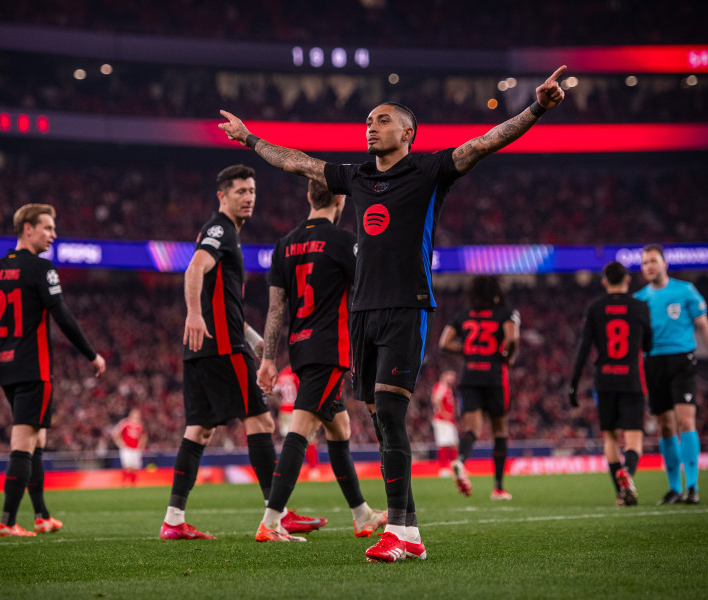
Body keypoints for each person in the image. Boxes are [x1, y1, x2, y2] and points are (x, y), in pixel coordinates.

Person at [220, 65, 566, 562]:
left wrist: (535, 109)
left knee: (389, 411)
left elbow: (485, 142)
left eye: (381, 120)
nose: (371, 126)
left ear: (407, 133)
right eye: (367, 120)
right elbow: (298, 162)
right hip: (363, 312)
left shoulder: (429, 171)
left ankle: (401, 532)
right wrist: (250, 139)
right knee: (380, 420)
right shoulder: (357, 176)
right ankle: (407, 530)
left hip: (406, 307)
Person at [159, 164, 321, 541]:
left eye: (251, 191)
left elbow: (225, 303)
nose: (248, 197)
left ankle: (173, 519)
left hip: (204, 349)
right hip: (221, 348)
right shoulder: (220, 229)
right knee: (261, 424)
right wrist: (195, 314)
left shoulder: (228, 233)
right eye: (240, 192)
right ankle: (276, 516)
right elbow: (195, 268)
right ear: (222, 196)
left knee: (198, 431)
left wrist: (253, 339)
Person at [0, 203, 106, 537]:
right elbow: (63, 315)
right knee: (24, 443)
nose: (53, 235)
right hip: (34, 368)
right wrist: (91, 355)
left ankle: (41, 515)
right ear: (27, 228)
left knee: (37, 439)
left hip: (5, 368)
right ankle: (7, 521)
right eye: (48, 228)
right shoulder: (41, 269)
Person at [255, 180, 388, 543]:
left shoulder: (284, 246)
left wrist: (269, 359)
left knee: (339, 429)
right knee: (300, 429)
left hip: (300, 349)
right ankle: (270, 521)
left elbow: (275, 309)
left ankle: (362, 515)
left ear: (309, 197)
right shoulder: (344, 241)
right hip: (330, 350)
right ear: (341, 199)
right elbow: (366, 295)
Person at [569, 261, 652, 506]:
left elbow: (584, 348)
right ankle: (628, 473)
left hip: (604, 380)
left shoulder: (595, 308)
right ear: (628, 280)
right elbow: (648, 345)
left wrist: (573, 384)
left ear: (604, 282)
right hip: (631, 379)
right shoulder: (640, 307)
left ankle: (620, 492)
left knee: (611, 439)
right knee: (634, 439)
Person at [634, 244, 708, 505]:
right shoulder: (640, 299)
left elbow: (702, 323)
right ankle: (674, 488)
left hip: (681, 360)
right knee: (665, 425)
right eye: (644, 263)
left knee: (685, 420)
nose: (649, 266)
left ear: (665, 263)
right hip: (653, 362)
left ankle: (693, 486)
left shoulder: (685, 291)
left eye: (653, 261)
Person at [439, 276, 520, 501]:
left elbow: (444, 343)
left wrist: (467, 351)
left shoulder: (463, 314)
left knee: (473, 429)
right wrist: (508, 356)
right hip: (494, 377)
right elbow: (512, 338)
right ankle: (498, 487)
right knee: (500, 431)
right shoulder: (505, 313)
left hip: (470, 375)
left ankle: (460, 460)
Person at [431, 370, 459, 478]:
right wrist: (443, 413)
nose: (453, 378)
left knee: (453, 444)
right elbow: (436, 400)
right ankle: (443, 469)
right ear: (445, 375)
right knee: (444, 443)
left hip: (448, 421)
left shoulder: (447, 388)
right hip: (442, 420)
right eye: (451, 376)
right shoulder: (441, 386)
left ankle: (455, 468)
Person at [111, 408, 147, 486]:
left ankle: (132, 483)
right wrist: (119, 442)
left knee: (135, 467)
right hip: (126, 448)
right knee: (127, 465)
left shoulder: (140, 425)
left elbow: (144, 436)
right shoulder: (125, 423)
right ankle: (124, 481)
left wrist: (142, 444)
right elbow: (115, 432)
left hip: (136, 449)